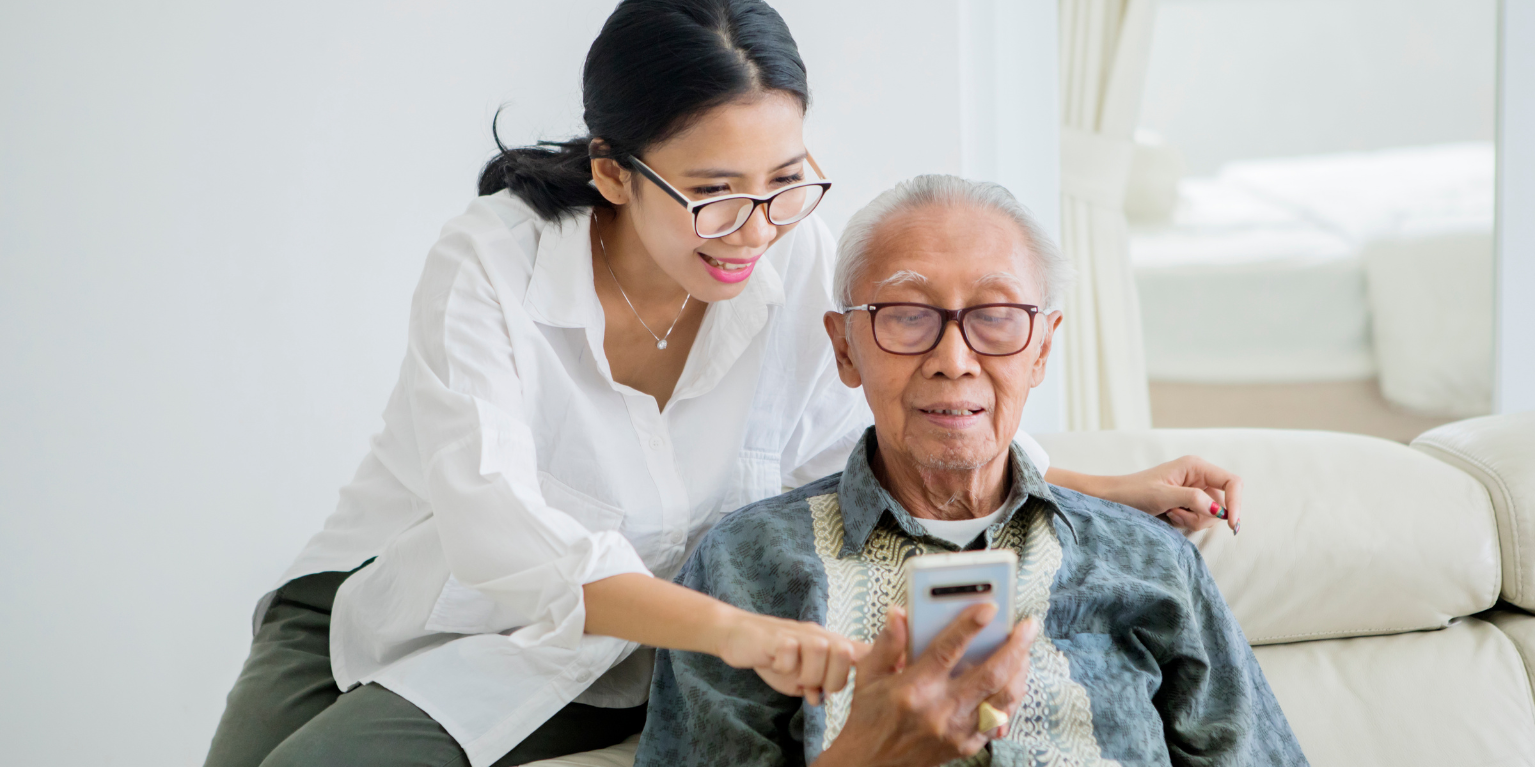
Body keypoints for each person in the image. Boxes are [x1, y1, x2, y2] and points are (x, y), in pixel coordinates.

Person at [203, 2, 1246, 766]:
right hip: (406, 587)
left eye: (783, 181)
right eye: (711, 194)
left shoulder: (791, 255)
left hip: (614, 638)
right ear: (613, 171)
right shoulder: (492, 263)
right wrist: (741, 633)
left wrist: (1103, 485)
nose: (755, 228)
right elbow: (495, 534)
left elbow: (882, 425)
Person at [636, 175, 1306, 767]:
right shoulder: (742, 565)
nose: (953, 358)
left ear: (1041, 348)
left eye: (994, 317)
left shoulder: (1149, 559)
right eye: (905, 316)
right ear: (843, 348)